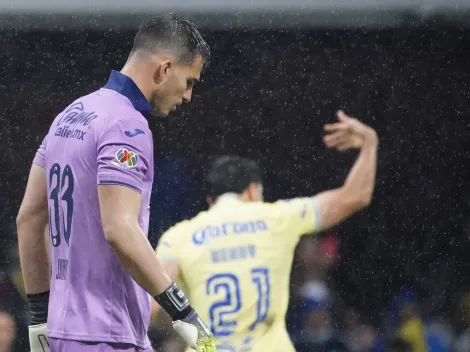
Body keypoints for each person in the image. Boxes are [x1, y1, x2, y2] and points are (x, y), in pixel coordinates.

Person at [16, 13, 216, 352]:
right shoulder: (126, 125)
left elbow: (29, 218)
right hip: (108, 334)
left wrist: (39, 317)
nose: (188, 97)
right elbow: (120, 229)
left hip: (65, 334)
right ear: (164, 69)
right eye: (189, 82)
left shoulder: (70, 114)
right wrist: (184, 312)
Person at [154, 111, 379, 351]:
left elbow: (152, 303)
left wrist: (198, 340)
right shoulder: (278, 217)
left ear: (211, 200)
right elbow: (355, 196)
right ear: (252, 191)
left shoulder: (178, 237)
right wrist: (369, 143)